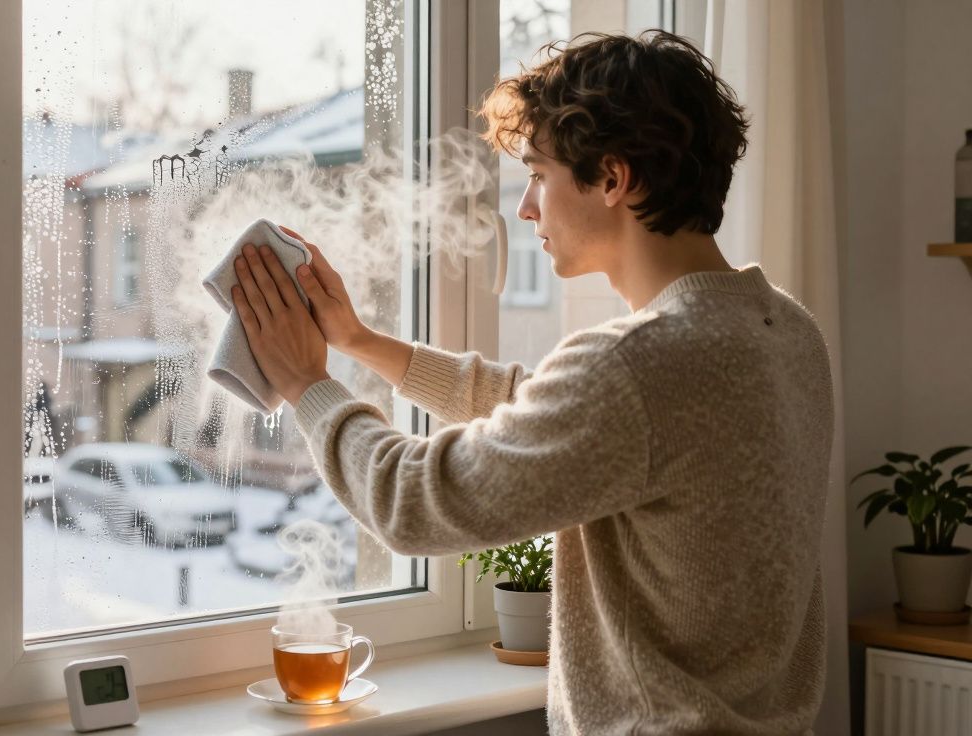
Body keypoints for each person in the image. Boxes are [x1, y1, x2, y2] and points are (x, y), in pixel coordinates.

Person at [229, 30, 833, 735]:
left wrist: (308, 384)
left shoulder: (636, 367)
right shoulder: (786, 330)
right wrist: (362, 342)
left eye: (539, 176)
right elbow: (546, 407)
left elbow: (412, 503)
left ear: (613, 178)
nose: (525, 208)